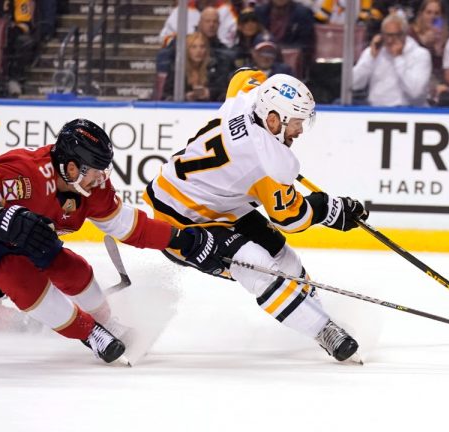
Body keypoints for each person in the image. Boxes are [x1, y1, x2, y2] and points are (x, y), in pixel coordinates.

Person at [0, 118, 229, 364]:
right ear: (70, 167)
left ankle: (101, 326)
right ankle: (80, 329)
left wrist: (181, 239)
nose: (101, 180)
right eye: (95, 171)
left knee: (62, 266)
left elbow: (126, 226)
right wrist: (0, 215)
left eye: (105, 170)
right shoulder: (26, 173)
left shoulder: (90, 189)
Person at [144, 69, 370, 363]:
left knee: (284, 257)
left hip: (217, 202)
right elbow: (291, 218)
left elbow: (243, 74)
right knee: (259, 265)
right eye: (297, 123)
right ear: (273, 120)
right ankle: (323, 331)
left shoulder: (246, 98)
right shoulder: (271, 162)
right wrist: (330, 210)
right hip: (180, 219)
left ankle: (317, 317)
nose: (300, 131)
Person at [352, 14, 432, 106]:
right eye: (386, 35)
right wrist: (371, 58)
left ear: (404, 35)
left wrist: (398, 58)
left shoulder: (420, 55)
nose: (390, 41)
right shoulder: (374, 52)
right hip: (376, 112)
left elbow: (415, 93)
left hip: (409, 113)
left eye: (394, 35)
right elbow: (354, 84)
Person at [162, 31, 231, 101]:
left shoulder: (215, 68)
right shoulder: (177, 70)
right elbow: (166, 96)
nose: (198, 51)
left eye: (202, 46)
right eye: (193, 47)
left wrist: (209, 93)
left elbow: (224, 92)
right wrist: (185, 97)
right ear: (187, 50)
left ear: (206, 49)